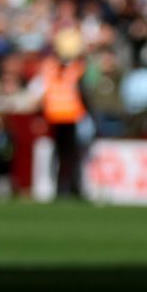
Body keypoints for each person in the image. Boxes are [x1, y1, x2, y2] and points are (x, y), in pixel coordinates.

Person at [35, 31, 87, 199]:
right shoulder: (72, 67)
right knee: (65, 154)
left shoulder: (52, 65)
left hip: (63, 116)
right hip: (62, 116)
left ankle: (67, 187)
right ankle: (65, 188)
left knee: (65, 155)